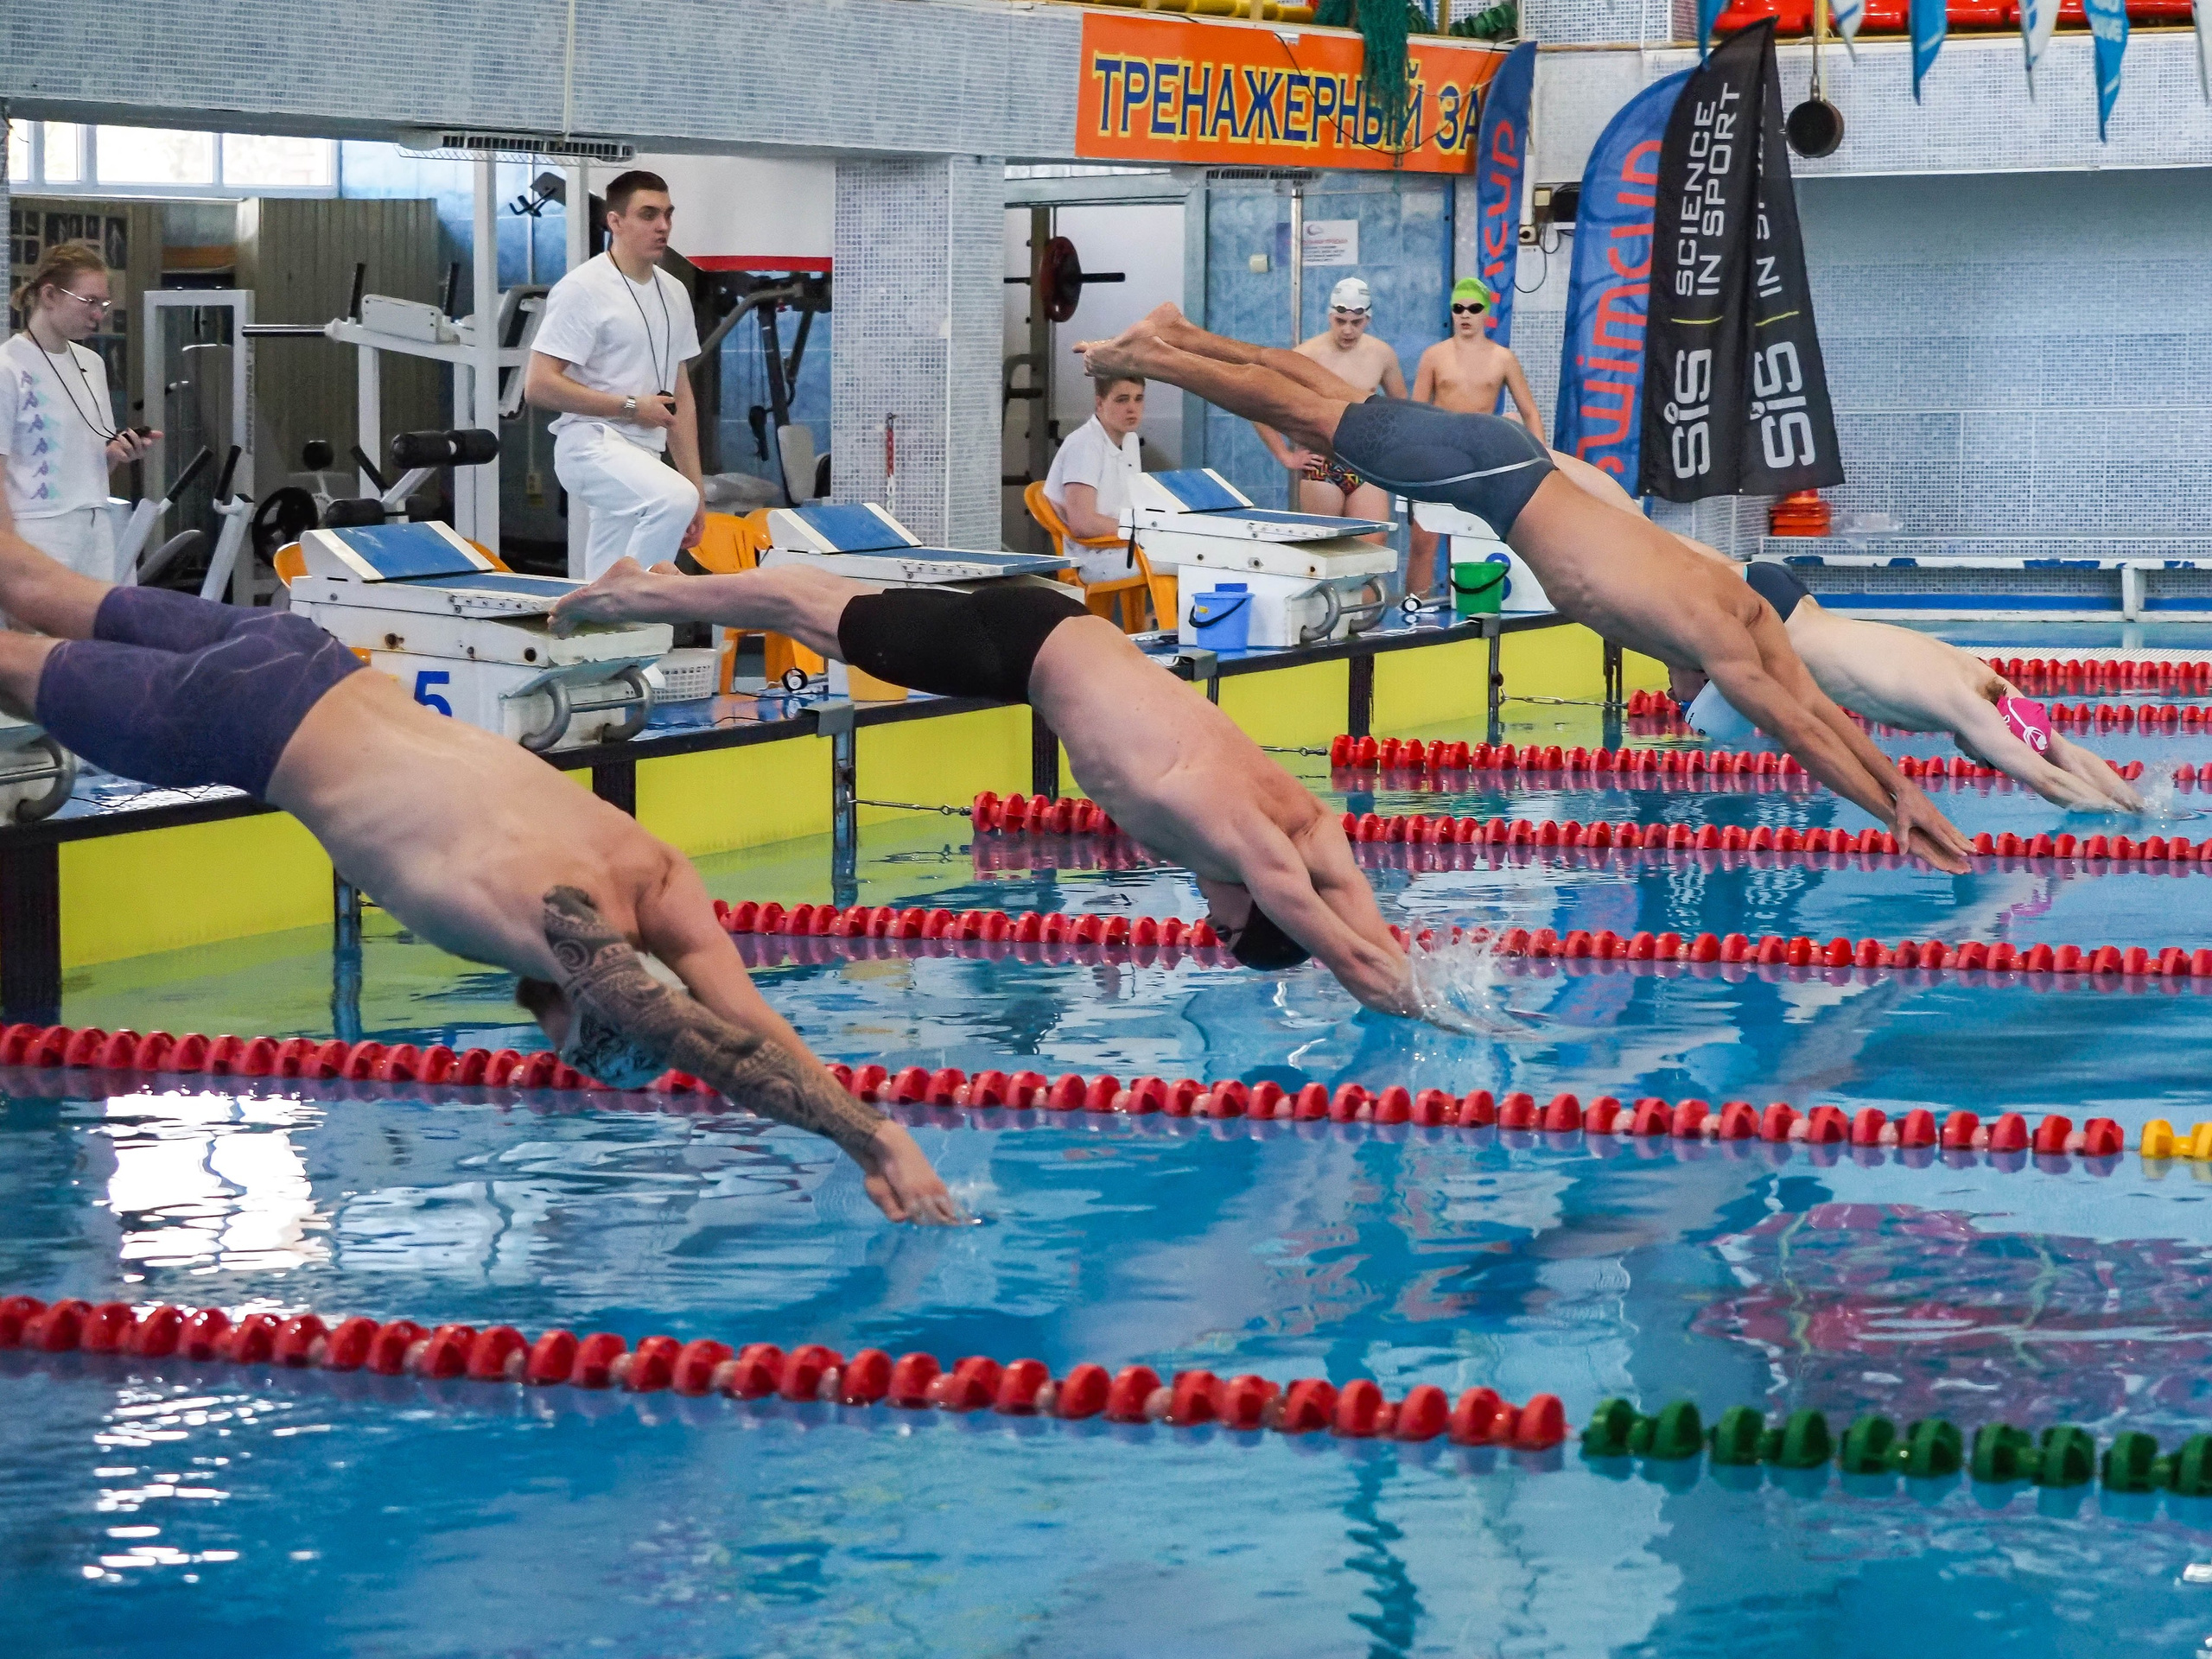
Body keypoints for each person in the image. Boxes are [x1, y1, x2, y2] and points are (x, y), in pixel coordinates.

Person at [0, 526, 956, 1224]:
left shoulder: (656, 872)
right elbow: (701, 1034)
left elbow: (751, 1015)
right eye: (563, 1036)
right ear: (594, 1007)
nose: (537, 1025)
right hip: (242, 723)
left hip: (310, 660)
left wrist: (875, 1123)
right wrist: (867, 1138)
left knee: (28, 580)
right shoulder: (551, 923)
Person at [1072, 303, 1972, 873]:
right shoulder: (1723, 648)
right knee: (1303, 407)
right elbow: (1805, 732)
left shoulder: (1741, 603)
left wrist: (1902, 792)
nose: (1672, 692)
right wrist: (1897, 811)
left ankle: (1181, 334)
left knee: (1314, 391)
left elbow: (1816, 710)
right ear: (1715, 689)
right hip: (1492, 486)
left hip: (1513, 459)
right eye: (1688, 698)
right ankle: (1151, 357)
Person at [549, 563, 1417, 1015]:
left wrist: (1407, 973)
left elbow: (1345, 902)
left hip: (1044, 639)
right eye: (1224, 919)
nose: (1207, 905)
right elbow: (1329, 933)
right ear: (1262, 903)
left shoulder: (1305, 823)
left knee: (821, 604)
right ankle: (633, 595)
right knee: (803, 612)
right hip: (1022, 648)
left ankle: (644, 589)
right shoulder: (1248, 842)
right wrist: (1403, 999)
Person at [1669, 563, 2145, 812]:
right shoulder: (1966, 708)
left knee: (1665, 567)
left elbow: (2067, 754)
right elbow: (2046, 779)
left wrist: (2139, 806)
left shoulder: (1987, 679)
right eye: (1989, 756)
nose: (1980, 762)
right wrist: (2118, 823)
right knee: (1672, 651)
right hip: (1778, 620)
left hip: (1793, 601)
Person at [526, 170, 706, 580]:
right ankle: (634, 601)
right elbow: (538, 385)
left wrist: (696, 488)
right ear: (615, 221)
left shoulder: (674, 292)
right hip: (590, 444)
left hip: (644, 452)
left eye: (667, 214)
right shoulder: (583, 288)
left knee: (608, 567)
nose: (663, 226)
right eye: (648, 215)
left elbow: (681, 395)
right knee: (670, 499)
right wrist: (629, 407)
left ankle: (602, 629)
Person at [0, 241, 157, 587]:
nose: (98, 314)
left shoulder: (92, 364)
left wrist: (115, 454)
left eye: (103, 303)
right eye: (89, 301)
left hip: (96, 527)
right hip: (37, 534)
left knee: (98, 639)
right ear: (50, 295)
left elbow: (89, 463)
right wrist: (9, 570)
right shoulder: (7, 367)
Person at [1406, 276, 1543, 599]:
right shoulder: (1434, 356)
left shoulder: (1502, 358)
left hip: (1480, 460)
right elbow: (1413, 413)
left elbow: (1530, 413)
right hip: (1436, 456)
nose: (1466, 314)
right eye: (1458, 308)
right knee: (1423, 542)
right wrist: (1410, 461)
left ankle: (1466, 613)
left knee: (1472, 540)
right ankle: (1414, 612)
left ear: (1486, 313)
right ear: (1452, 312)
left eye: (1473, 308)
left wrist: (1541, 460)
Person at [1251, 277, 1403, 537]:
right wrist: (1285, 456)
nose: (1347, 330)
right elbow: (1258, 402)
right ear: (1330, 316)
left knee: (1372, 550)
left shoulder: (1382, 354)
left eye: (1356, 323)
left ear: (1367, 319)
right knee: (1324, 551)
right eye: (1340, 321)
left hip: (1365, 465)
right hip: (1322, 466)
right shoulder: (1305, 355)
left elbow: (1401, 409)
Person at [1042, 372, 1147, 584]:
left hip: (1124, 546)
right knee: (1192, 559)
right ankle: (1158, 618)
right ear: (1099, 403)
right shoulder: (1084, 444)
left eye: (1139, 398)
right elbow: (1083, 524)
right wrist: (1144, 530)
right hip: (1091, 557)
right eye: (1122, 399)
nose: (1132, 408)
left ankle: (1153, 618)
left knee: (1197, 553)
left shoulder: (1131, 441)